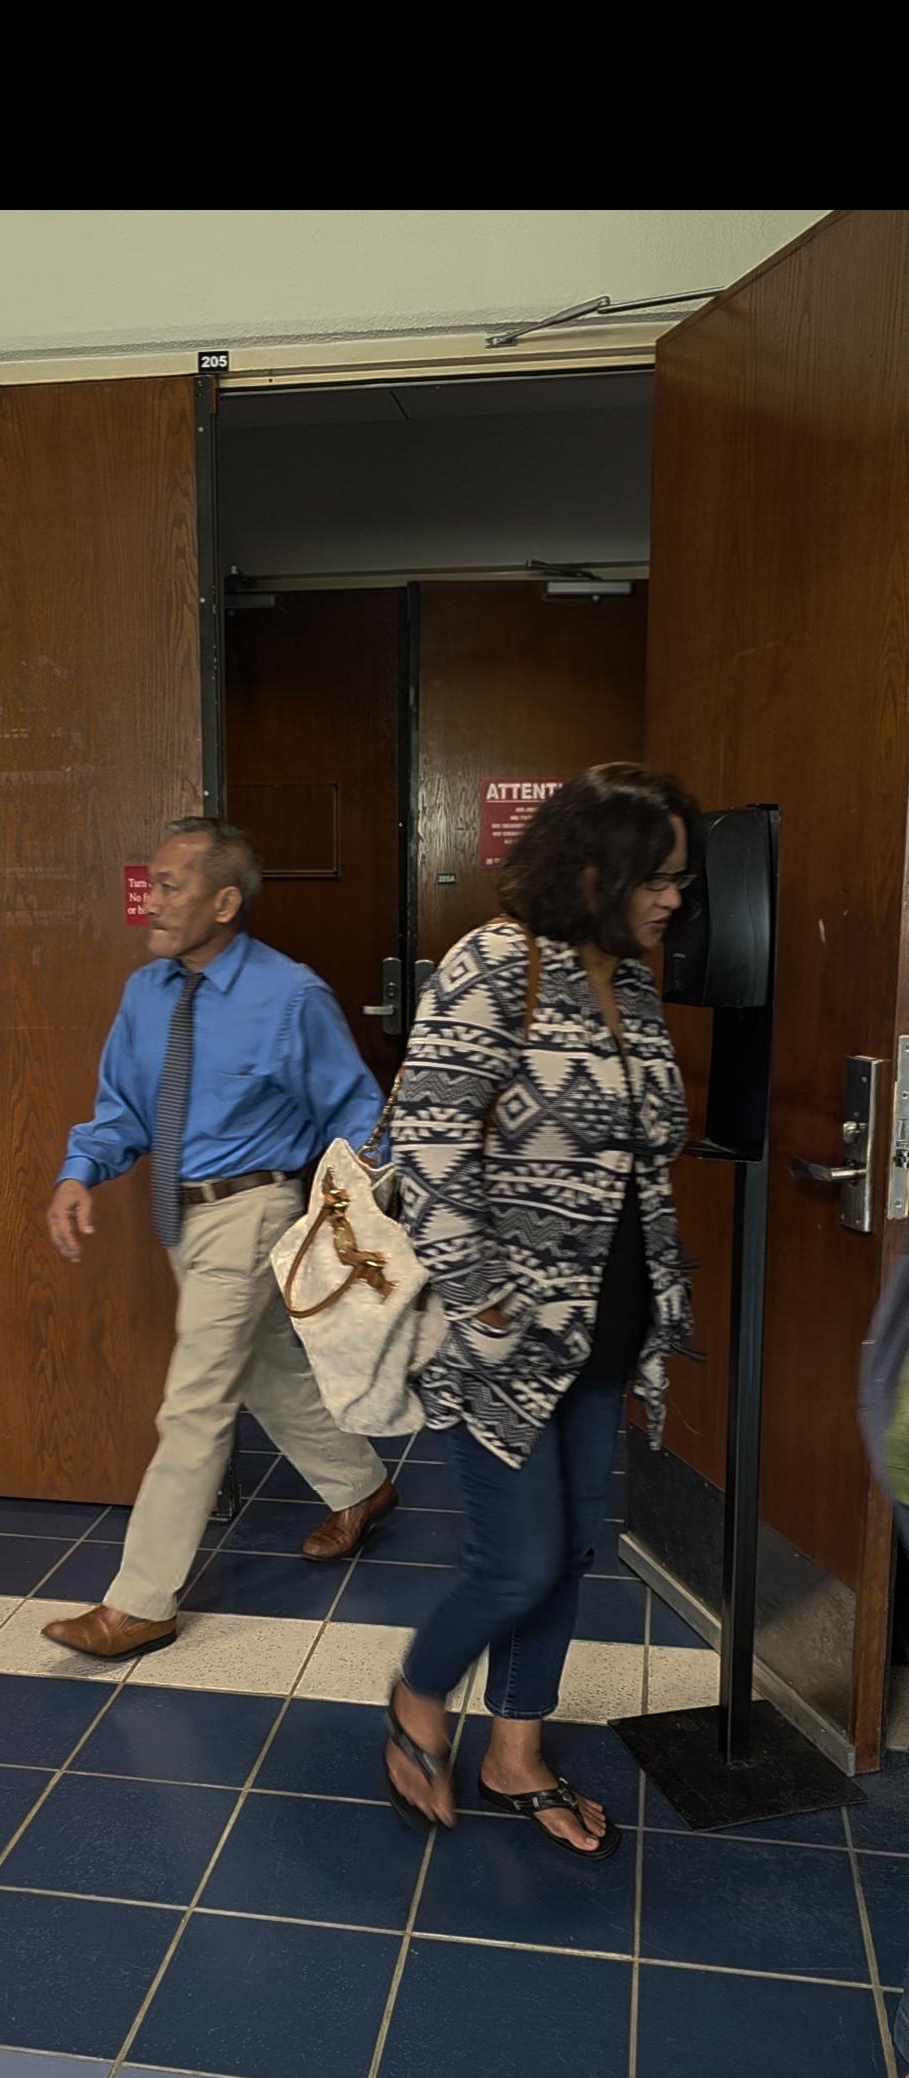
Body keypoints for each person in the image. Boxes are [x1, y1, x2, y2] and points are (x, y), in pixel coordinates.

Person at [384, 763, 698, 1851]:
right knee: (514, 1560)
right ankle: (419, 1695)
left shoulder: (639, 984)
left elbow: (646, 1160)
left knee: (567, 1554)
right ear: (591, 868)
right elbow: (423, 1152)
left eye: (681, 883)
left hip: (606, 1329)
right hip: (502, 1340)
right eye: (658, 879)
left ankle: (517, 1754)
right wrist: (489, 1314)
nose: (673, 901)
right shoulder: (491, 965)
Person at [43, 816, 396, 1660]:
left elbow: (357, 1113)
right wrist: (77, 1174)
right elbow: (123, 1110)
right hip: (180, 1215)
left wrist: (356, 1214)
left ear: (226, 901)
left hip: (255, 1210)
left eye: (171, 885)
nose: (152, 899)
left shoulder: (291, 996)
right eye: (152, 882)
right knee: (268, 1368)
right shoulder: (146, 992)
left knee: (196, 1401)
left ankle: (141, 1602)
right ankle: (362, 1484)